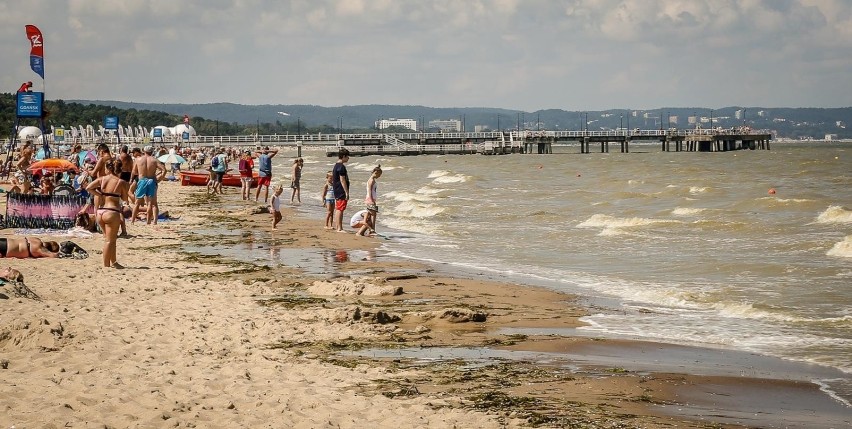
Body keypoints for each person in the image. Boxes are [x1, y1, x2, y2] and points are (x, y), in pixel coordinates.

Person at [87, 159, 130, 268]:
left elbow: (88, 188)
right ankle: (106, 265)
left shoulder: (102, 179)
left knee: (110, 239)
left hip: (101, 211)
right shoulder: (121, 182)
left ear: (107, 168)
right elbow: (125, 198)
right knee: (109, 241)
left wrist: (100, 194)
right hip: (112, 211)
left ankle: (114, 262)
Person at [131, 145, 166, 225]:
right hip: (151, 180)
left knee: (137, 202)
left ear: (144, 151)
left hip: (142, 180)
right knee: (151, 203)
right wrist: (159, 179)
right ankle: (151, 221)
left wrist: (140, 173)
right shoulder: (154, 160)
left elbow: (134, 171)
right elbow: (164, 170)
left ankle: (132, 221)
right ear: (152, 152)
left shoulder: (138, 159)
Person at [332, 148, 350, 232]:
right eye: (347, 157)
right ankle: (339, 228)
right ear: (343, 156)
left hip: (336, 189)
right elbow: (342, 180)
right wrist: (346, 192)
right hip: (340, 190)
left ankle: (338, 226)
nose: (348, 158)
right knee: (340, 209)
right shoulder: (341, 167)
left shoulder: (336, 166)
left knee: (338, 208)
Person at [363, 164, 382, 236]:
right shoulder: (371, 180)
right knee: (373, 215)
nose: (379, 176)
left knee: (372, 214)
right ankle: (372, 230)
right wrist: (371, 199)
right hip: (370, 199)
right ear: (376, 173)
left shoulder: (372, 180)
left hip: (371, 198)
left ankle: (371, 230)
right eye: (379, 175)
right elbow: (370, 191)